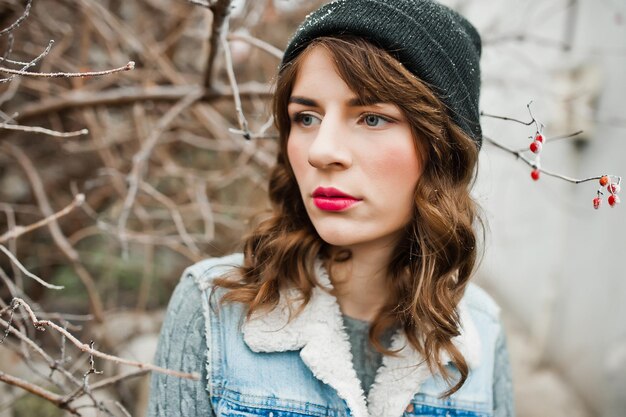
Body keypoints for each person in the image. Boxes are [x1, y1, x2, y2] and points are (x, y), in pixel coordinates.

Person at [147, 0, 515, 416]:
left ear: (443, 150)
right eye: (306, 117)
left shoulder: (479, 332)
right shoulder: (214, 310)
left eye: (372, 118)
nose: (322, 151)